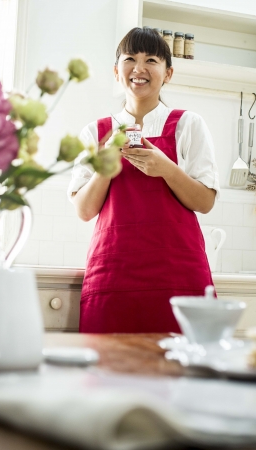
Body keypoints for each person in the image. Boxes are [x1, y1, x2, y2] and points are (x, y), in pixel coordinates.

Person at [67, 27, 220, 333]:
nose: (139, 68)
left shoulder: (188, 125)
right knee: (109, 374)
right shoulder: (95, 134)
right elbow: (84, 211)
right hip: (113, 275)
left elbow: (205, 202)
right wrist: (105, 165)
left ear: (168, 73)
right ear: (116, 71)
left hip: (178, 275)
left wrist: (167, 168)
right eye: (130, 59)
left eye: (151, 59)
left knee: (183, 375)